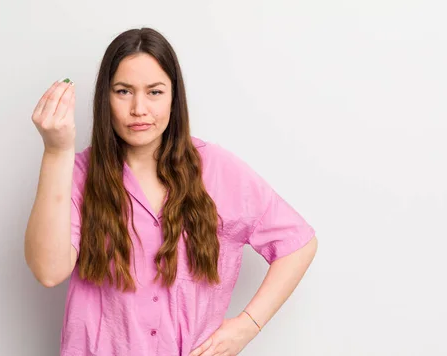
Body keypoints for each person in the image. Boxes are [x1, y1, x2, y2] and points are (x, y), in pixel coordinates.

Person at [25, 27, 318, 356]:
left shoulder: (217, 169)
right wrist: (56, 152)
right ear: (105, 97)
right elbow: (48, 271)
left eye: (154, 92)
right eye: (123, 91)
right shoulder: (79, 173)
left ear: (174, 97)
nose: (139, 108)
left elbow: (298, 244)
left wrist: (246, 326)